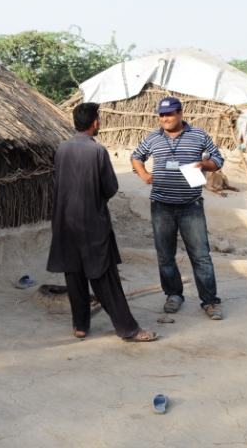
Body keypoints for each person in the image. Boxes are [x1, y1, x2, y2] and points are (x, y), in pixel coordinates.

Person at [47, 102, 157, 342]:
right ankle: (128, 329)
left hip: (64, 221)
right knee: (105, 278)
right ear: (95, 122)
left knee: (74, 274)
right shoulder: (97, 151)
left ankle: (80, 326)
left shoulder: (62, 148)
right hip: (91, 222)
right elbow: (111, 187)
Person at [131, 96, 225, 319]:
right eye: (162, 115)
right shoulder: (153, 138)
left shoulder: (198, 135)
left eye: (169, 114)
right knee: (165, 256)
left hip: (190, 206)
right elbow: (136, 157)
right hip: (161, 206)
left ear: (180, 114)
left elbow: (218, 159)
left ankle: (210, 302)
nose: (165, 118)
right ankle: (174, 295)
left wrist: (203, 164)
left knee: (201, 256)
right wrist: (144, 174)